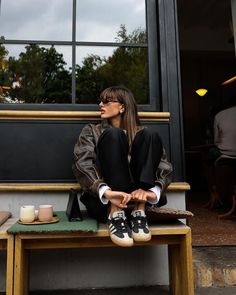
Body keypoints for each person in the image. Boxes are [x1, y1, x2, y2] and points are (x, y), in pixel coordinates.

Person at [73, 86, 172, 247]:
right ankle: (115, 214)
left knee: (150, 134)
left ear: (122, 107)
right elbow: (82, 164)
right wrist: (107, 192)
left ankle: (139, 213)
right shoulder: (91, 131)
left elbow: (164, 167)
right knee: (113, 134)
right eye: (100, 101)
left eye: (106, 101)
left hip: (139, 200)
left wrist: (150, 193)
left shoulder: (144, 136)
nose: (100, 104)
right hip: (105, 201)